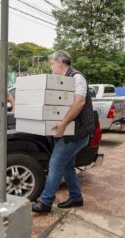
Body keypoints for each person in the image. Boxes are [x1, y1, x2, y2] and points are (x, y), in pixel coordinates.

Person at [32, 50, 95, 214]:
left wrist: (62, 124)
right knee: (67, 166)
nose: (51, 66)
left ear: (60, 62)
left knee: (55, 164)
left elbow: (79, 102)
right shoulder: (63, 80)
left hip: (78, 132)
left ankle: (45, 203)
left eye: (52, 63)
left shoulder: (77, 78)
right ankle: (76, 197)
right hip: (69, 132)